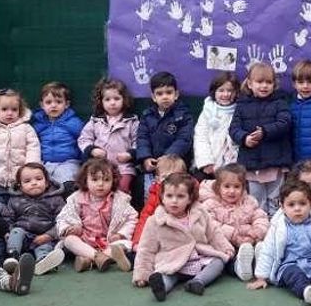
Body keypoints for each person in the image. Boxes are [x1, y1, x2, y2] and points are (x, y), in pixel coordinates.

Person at [133, 173, 234, 301]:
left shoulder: (200, 212)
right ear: (162, 198)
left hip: (200, 257)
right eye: (169, 196)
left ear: (190, 199)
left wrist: (225, 247)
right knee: (168, 275)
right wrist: (142, 274)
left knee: (219, 262)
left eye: (180, 196)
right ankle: (161, 287)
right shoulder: (155, 221)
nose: (174, 201)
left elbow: (213, 233)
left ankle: (198, 282)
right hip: (173, 261)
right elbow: (146, 249)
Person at [229, 62, 293, 215]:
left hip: (275, 161)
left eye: (268, 82)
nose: (264, 86)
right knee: (257, 201)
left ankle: (275, 230)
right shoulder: (242, 105)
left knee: (275, 199)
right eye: (259, 82)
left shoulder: (280, 102)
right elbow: (233, 129)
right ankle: (259, 230)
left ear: (274, 84)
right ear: (250, 84)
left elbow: (285, 123)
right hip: (251, 163)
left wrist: (265, 131)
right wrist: (244, 138)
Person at [56, 158, 137, 273]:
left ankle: (89, 261)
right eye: (95, 180)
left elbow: (131, 219)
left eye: (106, 180)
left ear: (113, 181)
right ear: (85, 181)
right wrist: (70, 228)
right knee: (69, 240)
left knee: (125, 244)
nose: (100, 184)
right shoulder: (77, 198)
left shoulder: (119, 200)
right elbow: (64, 216)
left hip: (108, 240)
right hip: (85, 240)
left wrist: (120, 234)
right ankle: (96, 257)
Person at [200, 164, 269, 281]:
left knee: (254, 247)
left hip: (247, 241)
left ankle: (258, 263)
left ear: (243, 188)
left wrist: (256, 232)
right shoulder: (210, 204)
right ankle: (238, 268)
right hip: (223, 244)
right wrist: (234, 235)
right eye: (227, 186)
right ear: (218, 187)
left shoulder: (249, 201)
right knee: (226, 257)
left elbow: (260, 217)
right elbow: (211, 225)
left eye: (237, 187)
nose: (232, 191)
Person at [136, 72, 195, 209]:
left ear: (176, 94)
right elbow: (142, 138)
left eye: (169, 92)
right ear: (153, 97)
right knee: (149, 194)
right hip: (153, 167)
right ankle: (152, 218)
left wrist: (167, 158)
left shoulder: (183, 115)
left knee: (176, 195)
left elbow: (184, 139)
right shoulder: (147, 116)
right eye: (160, 93)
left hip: (176, 166)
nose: (165, 97)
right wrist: (146, 158)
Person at [0, 163, 68, 276]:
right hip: (23, 237)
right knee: (16, 232)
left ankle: (43, 261)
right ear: (20, 186)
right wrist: (9, 232)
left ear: (46, 183)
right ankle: (13, 257)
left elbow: (63, 220)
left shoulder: (56, 199)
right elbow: (9, 218)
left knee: (44, 247)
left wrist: (49, 235)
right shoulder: (15, 200)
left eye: (39, 179)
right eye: (27, 181)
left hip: (44, 237)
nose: (34, 183)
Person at [78, 78, 140, 193]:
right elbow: (84, 139)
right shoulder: (95, 121)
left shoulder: (132, 121)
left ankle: (121, 209)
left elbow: (139, 141)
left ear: (124, 100)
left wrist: (130, 154)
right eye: (107, 99)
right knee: (97, 189)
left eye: (117, 98)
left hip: (123, 167)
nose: (112, 103)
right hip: (99, 166)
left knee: (122, 189)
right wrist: (92, 150)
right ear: (101, 101)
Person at [31, 81, 84, 189]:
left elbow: (84, 141)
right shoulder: (39, 124)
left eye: (58, 102)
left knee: (68, 179)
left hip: (68, 162)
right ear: (42, 105)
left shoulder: (74, 123)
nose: (53, 106)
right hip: (44, 163)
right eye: (48, 102)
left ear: (67, 104)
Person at [132, 155, 189, 251]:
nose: (171, 182)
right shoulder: (155, 195)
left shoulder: (189, 194)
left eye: (176, 177)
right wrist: (138, 241)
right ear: (158, 179)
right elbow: (144, 218)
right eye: (166, 178)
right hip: (158, 235)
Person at [193, 72, 240, 180]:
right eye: (221, 90)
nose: (226, 94)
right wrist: (206, 163)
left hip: (232, 165)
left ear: (236, 93)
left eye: (230, 91)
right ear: (214, 92)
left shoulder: (239, 111)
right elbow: (200, 137)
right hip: (209, 164)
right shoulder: (207, 111)